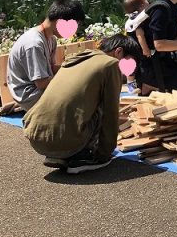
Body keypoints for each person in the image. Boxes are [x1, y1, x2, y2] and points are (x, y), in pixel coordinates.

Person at [22, 35, 142, 174]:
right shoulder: (111, 64)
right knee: (101, 107)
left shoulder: (75, 60)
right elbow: (111, 112)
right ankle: (82, 158)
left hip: (36, 136)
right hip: (63, 140)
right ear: (119, 52)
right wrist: (104, 154)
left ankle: (63, 154)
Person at [5, 0, 86, 113]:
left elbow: (52, 68)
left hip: (39, 88)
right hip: (29, 95)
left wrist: (76, 69)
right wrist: (70, 78)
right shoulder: (34, 44)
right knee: (79, 93)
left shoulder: (51, 39)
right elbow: (41, 83)